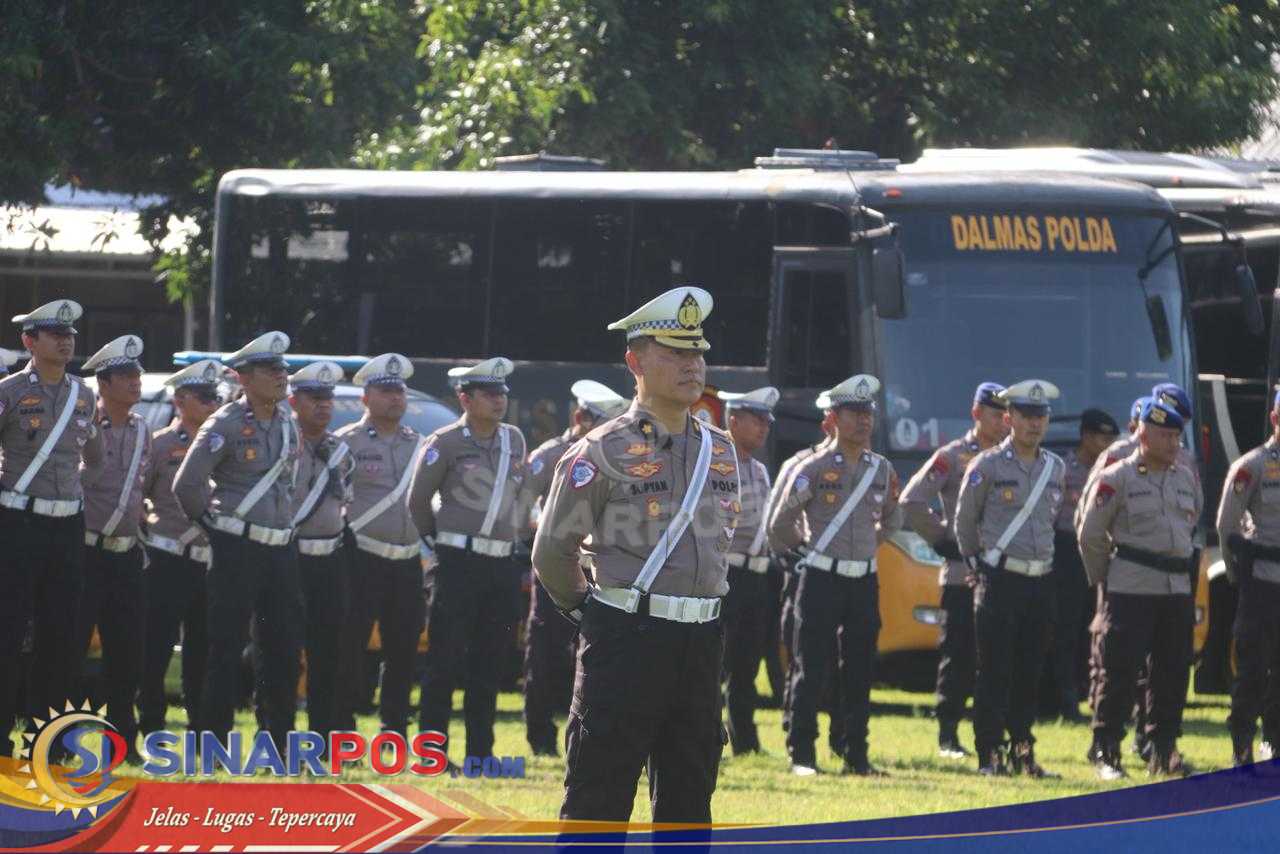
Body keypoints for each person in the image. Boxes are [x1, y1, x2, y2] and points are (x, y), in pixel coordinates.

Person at [532, 286, 739, 822]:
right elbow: (552, 551)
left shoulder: (719, 447)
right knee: (597, 803)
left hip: (701, 643)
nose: (691, 365)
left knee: (688, 807)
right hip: (626, 639)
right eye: (674, 352)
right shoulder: (602, 450)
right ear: (635, 362)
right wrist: (593, 614)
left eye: (697, 352)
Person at [172, 331, 303, 750]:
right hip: (236, 547)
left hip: (280, 548)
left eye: (283, 368)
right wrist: (216, 532)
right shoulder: (225, 423)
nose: (281, 376)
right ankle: (214, 743)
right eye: (270, 369)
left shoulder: (288, 422)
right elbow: (186, 485)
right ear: (243, 377)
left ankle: (278, 744)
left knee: (282, 650)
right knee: (225, 648)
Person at [768, 374, 901, 776]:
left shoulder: (882, 469)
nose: (863, 421)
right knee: (811, 666)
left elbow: (893, 518)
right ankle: (802, 754)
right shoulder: (813, 468)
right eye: (854, 413)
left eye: (867, 413)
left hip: (864, 579)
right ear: (834, 417)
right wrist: (807, 552)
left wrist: (869, 544)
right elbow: (780, 523)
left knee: (860, 669)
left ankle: (855, 754)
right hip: (821, 578)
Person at [409, 357, 528, 761]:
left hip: (501, 566)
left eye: (502, 393)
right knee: (443, 661)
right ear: (465, 398)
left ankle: (481, 754)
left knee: (489, 663)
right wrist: (441, 545)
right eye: (489, 394)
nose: (499, 401)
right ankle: (433, 753)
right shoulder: (445, 442)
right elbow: (418, 502)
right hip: (457, 562)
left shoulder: (514, 439)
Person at [1080, 398, 1201, 779]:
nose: (1173, 443)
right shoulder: (1118, 477)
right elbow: (1090, 534)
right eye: (1165, 435)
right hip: (1131, 588)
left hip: (1175, 589)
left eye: (1177, 436)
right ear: (1143, 436)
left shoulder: (1185, 477)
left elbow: (1192, 521)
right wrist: (1107, 578)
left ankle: (1163, 750)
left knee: (1172, 674)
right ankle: (1107, 750)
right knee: (1119, 671)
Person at [0, 300, 101, 756]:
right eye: (55, 335)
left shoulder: (84, 395)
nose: (65, 342)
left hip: (67, 524)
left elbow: (93, 455)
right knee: (7, 631)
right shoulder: (9, 392)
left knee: (60, 636)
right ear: (30, 341)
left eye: (70, 335)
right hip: (18, 521)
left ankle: (48, 741)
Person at [955, 380, 1066, 777]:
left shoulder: (1055, 467)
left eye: (1041, 416)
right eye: (1027, 415)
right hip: (1000, 579)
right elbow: (964, 522)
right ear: (1009, 418)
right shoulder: (987, 465)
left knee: (1029, 673)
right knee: (994, 672)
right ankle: (989, 755)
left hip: (1040, 581)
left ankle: (1022, 753)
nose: (1035, 424)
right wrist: (977, 565)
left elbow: (1052, 520)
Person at [517, 379, 628, 756]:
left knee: (593, 653)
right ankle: (540, 736)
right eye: (602, 421)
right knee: (545, 651)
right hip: (558, 566)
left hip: (601, 570)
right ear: (580, 417)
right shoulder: (550, 455)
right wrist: (539, 544)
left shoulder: (619, 454)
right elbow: (521, 510)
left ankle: (586, 734)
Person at [901, 382, 1007, 758]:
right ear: (976, 414)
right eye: (995, 414)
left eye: (1007, 415)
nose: (1003, 422)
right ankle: (948, 733)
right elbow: (912, 500)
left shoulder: (1016, 459)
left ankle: (994, 732)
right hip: (964, 576)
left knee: (999, 659)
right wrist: (943, 541)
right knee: (959, 655)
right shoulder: (953, 456)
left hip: (1005, 576)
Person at [333, 354, 425, 739]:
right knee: (350, 645)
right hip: (361, 555)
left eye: (399, 391)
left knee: (403, 649)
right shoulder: (346, 442)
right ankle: (342, 728)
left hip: (407, 560)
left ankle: (394, 731)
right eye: (386, 391)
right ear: (365, 397)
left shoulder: (419, 443)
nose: (395, 398)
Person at [75, 335, 152, 760]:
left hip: (127, 554)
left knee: (128, 653)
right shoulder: (84, 427)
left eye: (137, 374)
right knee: (71, 649)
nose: (134, 382)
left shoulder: (143, 430)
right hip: (86, 552)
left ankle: (122, 743)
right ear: (103, 384)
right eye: (124, 376)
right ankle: (60, 740)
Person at [139, 359, 222, 736]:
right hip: (167, 557)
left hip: (210, 560)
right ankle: (151, 725)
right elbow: (136, 496)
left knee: (202, 651)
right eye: (202, 397)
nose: (211, 404)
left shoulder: (222, 445)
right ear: (179, 400)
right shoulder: (160, 445)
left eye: (214, 397)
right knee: (155, 647)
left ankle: (201, 730)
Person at [290, 360, 355, 743]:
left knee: (328, 652)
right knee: (283, 652)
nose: (323, 405)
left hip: (330, 558)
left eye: (328, 398)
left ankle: (323, 737)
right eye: (314, 398)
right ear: (294, 401)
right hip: (288, 556)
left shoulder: (340, 450)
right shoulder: (282, 443)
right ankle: (277, 737)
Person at [1215, 386, 1280, 766]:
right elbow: (1227, 526)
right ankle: (1242, 742)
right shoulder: (1251, 466)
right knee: (1253, 667)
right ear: (1274, 419)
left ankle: (1274, 740)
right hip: (1261, 582)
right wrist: (1237, 574)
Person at [1041, 408, 1119, 721]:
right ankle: (1065, 700)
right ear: (1086, 436)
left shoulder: (1115, 470)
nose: (1107, 444)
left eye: (1111, 439)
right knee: (1066, 628)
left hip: (1102, 553)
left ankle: (1092, 695)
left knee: (1096, 626)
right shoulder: (1063, 469)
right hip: (1067, 553)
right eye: (1102, 438)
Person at [716, 385, 779, 755]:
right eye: (757, 421)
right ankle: (706, 737)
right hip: (726, 573)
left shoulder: (759, 470)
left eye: (767, 422)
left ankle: (745, 741)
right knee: (713, 664)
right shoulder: (716, 464)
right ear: (734, 420)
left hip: (756, 576)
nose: (764, 428)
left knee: (746, 664)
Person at [770, 407, 837, 746]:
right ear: (829, 423)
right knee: (802, 653)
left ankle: (841, 736)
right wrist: (799, 555)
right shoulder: (801, 465)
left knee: (838, 659)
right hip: (805, 569)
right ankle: (793, 724)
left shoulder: (868, 467)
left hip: (845, 574)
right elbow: (777, 521)